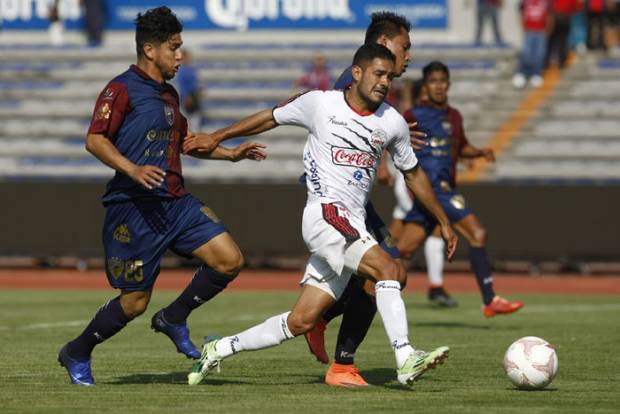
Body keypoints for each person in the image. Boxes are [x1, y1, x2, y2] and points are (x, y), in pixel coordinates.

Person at [183, 43, 458, 387]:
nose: (385, 82)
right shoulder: (320, 103)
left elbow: (414, 174)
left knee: (301, 321)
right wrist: (218, 136)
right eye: (378, 73)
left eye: (389, 76)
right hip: (325, 214)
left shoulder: (393, 122)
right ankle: (405, 357)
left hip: (351, 221)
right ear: (356, 73)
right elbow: (270, 116)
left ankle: (218, 349)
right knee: (390, 269)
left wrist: (444, 220)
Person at [57, 6, 267, 386]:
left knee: (229, 259)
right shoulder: (120, 88)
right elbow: (94, 140)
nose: (180, 55)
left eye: (181, 46)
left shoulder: (169, 95)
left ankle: (173, 318)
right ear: (150, 49)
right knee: (135, 301)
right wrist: (133, 169)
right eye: (174, 47)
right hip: (134, 207)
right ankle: (77, 351)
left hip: (175, 201)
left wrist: (230, 154)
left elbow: (185, 144)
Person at [300, 12, 445, 388]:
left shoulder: (380, 86)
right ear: (384, 45)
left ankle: (326, 325)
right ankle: (344, 362)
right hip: (336, 201)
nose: (409, 55)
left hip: (351, 201)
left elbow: (370, 128)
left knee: (388, 272)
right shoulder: (354, 79)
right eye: (405, 46)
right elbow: (344, 126)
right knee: (389, 269)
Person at [397, 61, 524, 318]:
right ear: (426, 85)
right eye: (433, 81)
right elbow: (390, 134)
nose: (439, 85)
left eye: (443, 80)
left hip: (434, 194)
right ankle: (489, 300)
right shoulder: (414, 115)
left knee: (402, 252)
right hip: (434, 190)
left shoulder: (454, 116)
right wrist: (384, 169)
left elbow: (461, 146)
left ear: (449, 84)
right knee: (477, 233)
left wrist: (478, 152)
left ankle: (361, 288)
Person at [512, 0, 553, 89]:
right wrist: (523, 25)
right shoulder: (526, 1)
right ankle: (522, 73)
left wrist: (548, 28)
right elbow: (522, 12)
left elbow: (550, 15)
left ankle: (536, 74)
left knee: (539, 54)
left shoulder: (546, 2)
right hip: (529, 30)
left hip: (541, 30)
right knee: (526, 52)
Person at [545, 0, 581, 69]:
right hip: (560, 17)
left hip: (558, 17)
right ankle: (560, 62)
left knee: (553, 41)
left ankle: (549, 62)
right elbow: (577, 7)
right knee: (560, 41)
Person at [177, 49, 203, 132]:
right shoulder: (181, 71)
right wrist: (186, 97)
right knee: (188, 123)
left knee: (195, 122)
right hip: (187, 98)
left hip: (194, 96)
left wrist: (199, 90)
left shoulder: (191, 69)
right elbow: (182, 85)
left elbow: (195, 84)